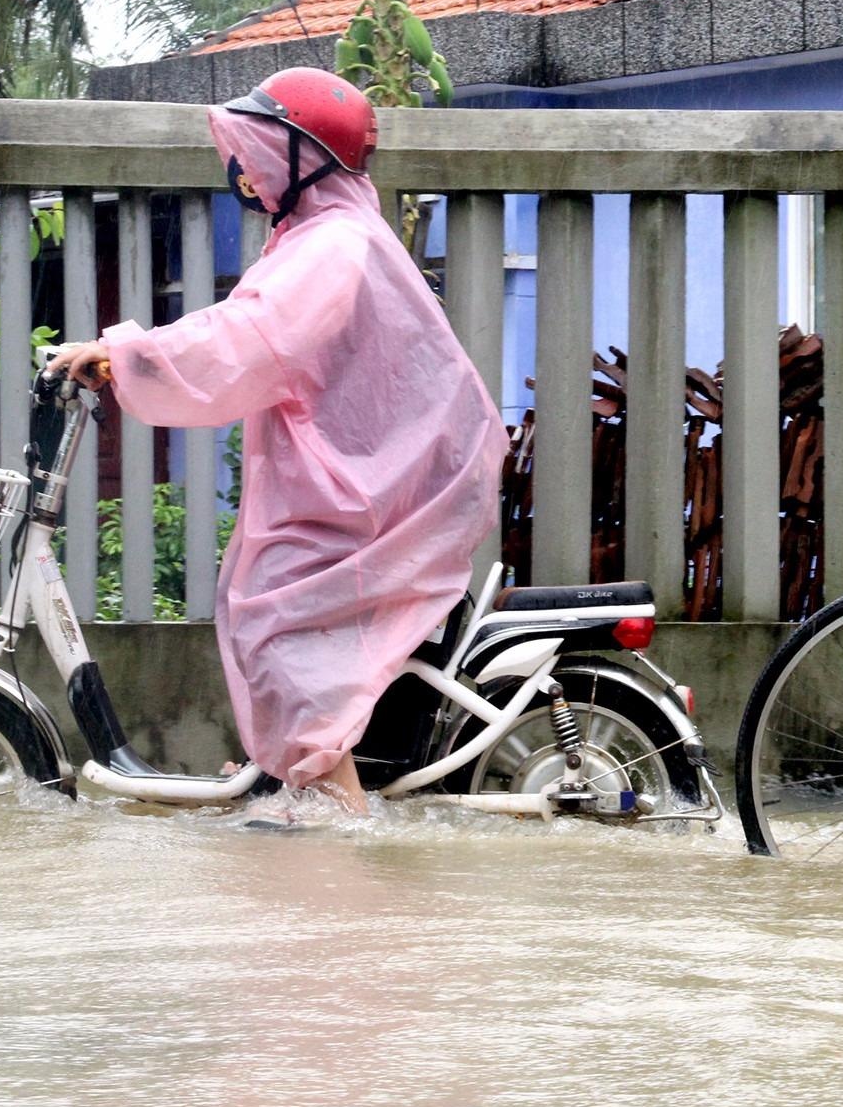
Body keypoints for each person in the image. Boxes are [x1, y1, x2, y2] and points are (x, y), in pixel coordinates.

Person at [48, 68, 507, 814]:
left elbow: (250, 339)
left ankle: (340, 851)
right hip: (354, 481)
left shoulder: (332, 245)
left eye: (257, 149)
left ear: (306, 159)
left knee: (280, 635)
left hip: (364, 494)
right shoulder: (319, 237)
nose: (241, 167)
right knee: (264, 615)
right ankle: (306, 794)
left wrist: (122, 354)